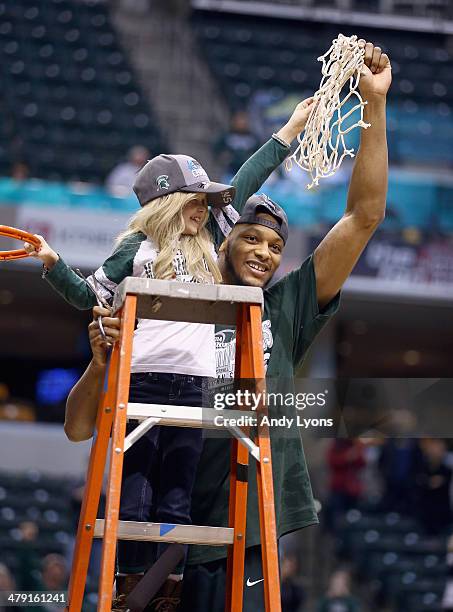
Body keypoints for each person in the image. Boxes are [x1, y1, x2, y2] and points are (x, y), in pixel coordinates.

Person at [65, 39, 390, 610]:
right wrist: (99, 363)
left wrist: (375, 107)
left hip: (244, 526)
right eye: (250, 237)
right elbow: (77, 428)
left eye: (275, 246)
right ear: (218, 240)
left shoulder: (285, 307)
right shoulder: (159, 307)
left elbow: (363, 217)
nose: (264, 252)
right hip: (159, 537)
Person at [31, 101, 314, 611]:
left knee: (178, 492)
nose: (206, 209)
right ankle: (130, 579)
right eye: (195, 200)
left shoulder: (210, 240)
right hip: (139, 383)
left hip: (193, 385)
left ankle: (167, 586)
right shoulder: (136, 249)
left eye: (207, 202)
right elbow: (90, 295)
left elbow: (245, 181)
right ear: (166, 203)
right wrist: (54, 266)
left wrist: (290, 130)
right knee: (136, 488)